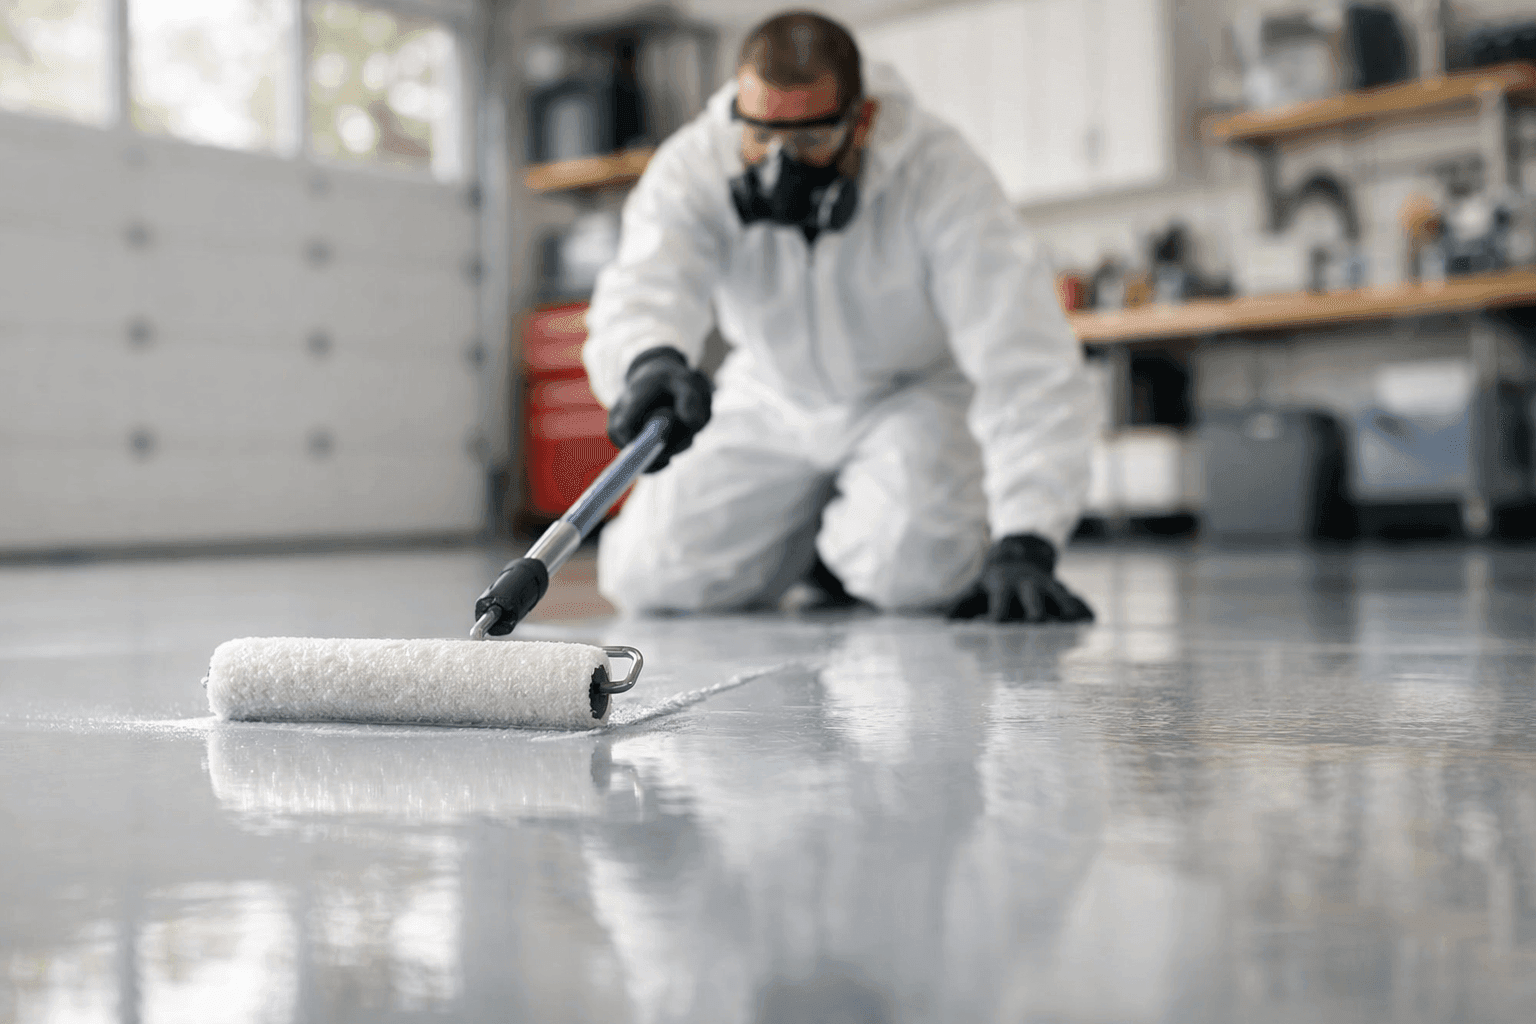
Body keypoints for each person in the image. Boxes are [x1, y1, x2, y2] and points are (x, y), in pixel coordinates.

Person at [582, 9, 1095, 623]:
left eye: (811, 140)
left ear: (864, 118)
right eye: (762, 137)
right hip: (771, 395)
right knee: (649, 577)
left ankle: (847, 543)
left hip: (909, 396)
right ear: (739, 112)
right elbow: (645, 284)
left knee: (914, 576)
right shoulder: (694, 166)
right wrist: (648, 360)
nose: (780, 166)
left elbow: (1023, 351)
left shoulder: (939, 173)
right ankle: (815, 541)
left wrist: (1028, 537)